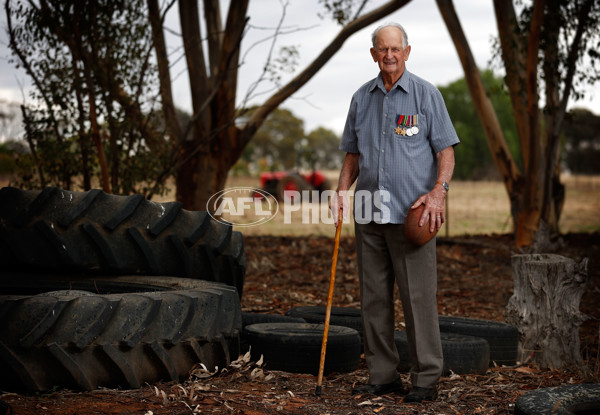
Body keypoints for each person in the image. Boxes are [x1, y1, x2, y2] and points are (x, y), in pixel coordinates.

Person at [330, 22, 459, 403]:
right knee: (373, 299)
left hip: (413, 216)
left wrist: (439, 192)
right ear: (374, 54)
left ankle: (426, 377)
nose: (389, 55)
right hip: (369, 214)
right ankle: (383, 375)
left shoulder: (425, 95)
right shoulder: (361, 98)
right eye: (382, 49)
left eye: (395, 49)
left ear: (407, 51)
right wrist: (340, 192)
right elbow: (353, 155)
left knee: (418, 299)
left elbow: (445, 151)